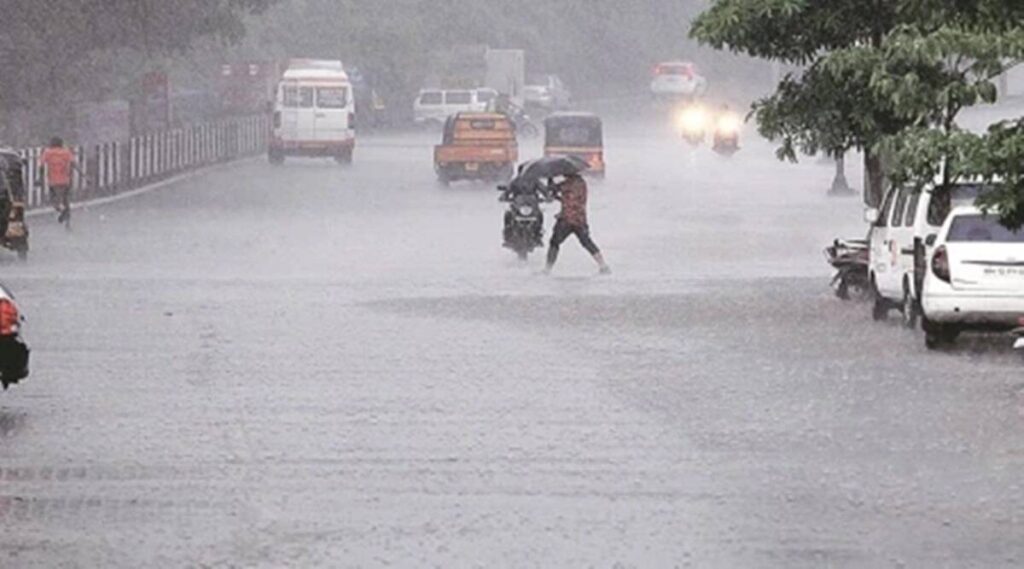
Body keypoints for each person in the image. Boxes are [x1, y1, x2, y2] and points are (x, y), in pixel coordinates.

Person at [545, 173, 610, 274]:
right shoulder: (581, 183)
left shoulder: (568, 184)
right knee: (587, 242)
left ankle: (547, 269)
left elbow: (555, 189)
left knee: (554, 242)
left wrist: (550, 179)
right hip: (580, 219)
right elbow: (567, 198)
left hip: (567, 219)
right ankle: (603, 265)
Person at [38, 137, 79, 226]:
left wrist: (40, 178)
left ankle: (61, 211)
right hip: (65, 181)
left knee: (54, 201)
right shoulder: (66, 152)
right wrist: (84, 176)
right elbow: (73, 164)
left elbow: (41, 165)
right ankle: (67, 220)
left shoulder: (48, 152)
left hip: (53, 182)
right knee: (66, 200)